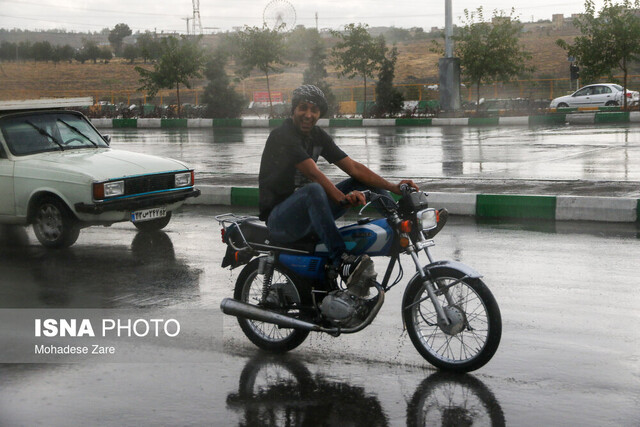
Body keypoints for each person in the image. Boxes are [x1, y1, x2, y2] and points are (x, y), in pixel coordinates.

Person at [258, 84, 418, 282]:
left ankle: (401, 224)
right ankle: (340, 258)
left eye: (314, 110)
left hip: (308, 214)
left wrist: (393, 187)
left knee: (359, 180)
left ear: (320, 114)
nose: (308, 114)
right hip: (281, 220)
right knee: (313, 190)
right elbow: (314, 173)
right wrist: (342, 199)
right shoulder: (282, 135)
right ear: (294, 110)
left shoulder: (317, 136)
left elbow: (354, 168)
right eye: (303, 108)